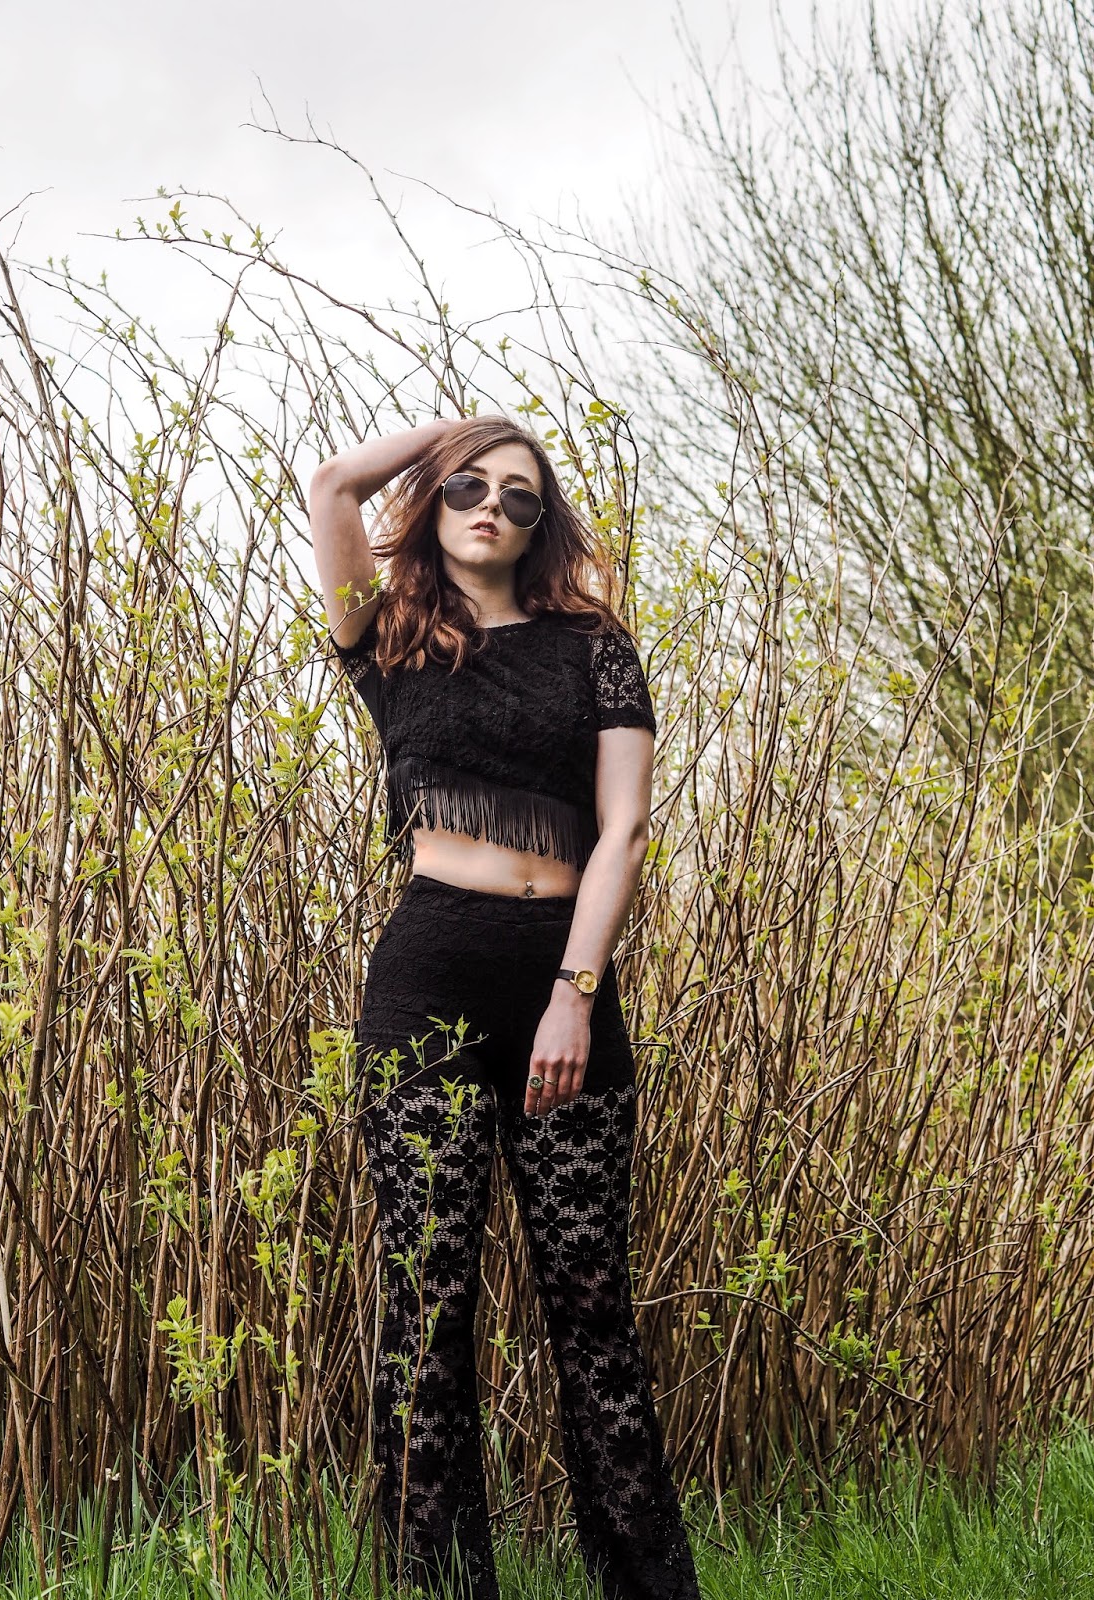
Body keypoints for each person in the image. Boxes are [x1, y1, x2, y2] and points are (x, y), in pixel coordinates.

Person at [309, 414, 701, 1600]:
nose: (490, 507)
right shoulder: (388, 638)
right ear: (436, 499)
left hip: (560, 975)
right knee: (427, 1303)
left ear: (542, 525)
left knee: (592, 1307)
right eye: (469, 489)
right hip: (427, 977)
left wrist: (574, 995)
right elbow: (333, 483)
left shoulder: (594, 648)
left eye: (520, 495)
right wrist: (467, 433)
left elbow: (624, 829)